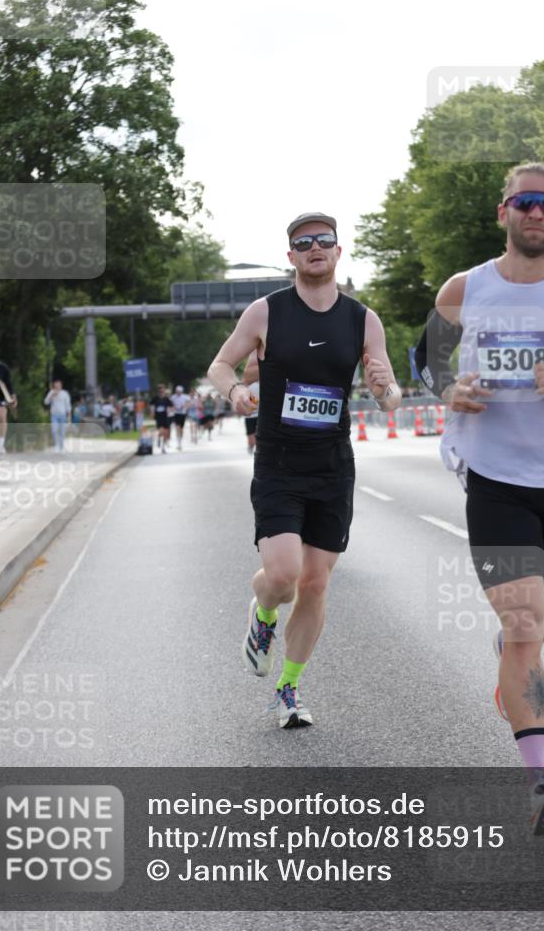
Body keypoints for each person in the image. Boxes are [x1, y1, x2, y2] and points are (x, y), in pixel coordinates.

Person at [414, 162, 544, 835]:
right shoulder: (463, 289)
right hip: (495, 479)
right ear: (503, 212)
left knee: (543, 622)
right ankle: (541, 786)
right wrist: (448, 391)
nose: (535, 214)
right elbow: (427, 360)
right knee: (528, 624)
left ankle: (510, 663)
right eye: (523, 203)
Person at [208, 211, 401, 728]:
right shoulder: (265, 312)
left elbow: (390, 400)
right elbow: (220, 365)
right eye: (303, 242)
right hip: (279, 463)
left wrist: (385, 385)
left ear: (338, 252)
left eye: (324, 241)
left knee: (315, 584)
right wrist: (236, 390)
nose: (315, 248)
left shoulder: (363, 319)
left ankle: (288, 689)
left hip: (333, 467)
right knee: (283, 576)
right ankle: (263, 613)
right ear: (291, 256)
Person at [44, 379, 72, 452]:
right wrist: (52, 396)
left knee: (62, 432)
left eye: (59, 386)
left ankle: (62, 447)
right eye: (56, 386)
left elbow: (68, 406)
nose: (57, 387)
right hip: (54, 415)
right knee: (54, 430)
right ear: (54, 386)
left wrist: (69, 417)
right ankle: (56, 446)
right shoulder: (51, 392)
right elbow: (46, 402)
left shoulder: (64, 393)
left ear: (61, 386)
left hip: (63, 415)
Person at [242, 351, 260, 454]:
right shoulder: (247, 384)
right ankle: (250, 446)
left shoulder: (263, 383)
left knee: (257, 437)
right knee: (251, 438)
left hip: (259, 415)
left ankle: (257, 452)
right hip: (249, 415)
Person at [150, 384, 171, 453]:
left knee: (165, 433)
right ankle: (159, 438)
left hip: (165, 416)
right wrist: (152, 413)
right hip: (158, 417)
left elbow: (171, 406)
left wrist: (169, 410)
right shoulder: (155, 398)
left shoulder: (166, 399)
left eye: (163, 390)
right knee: (161, 431)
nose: (162, 392)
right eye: (160, 390)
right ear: (158, 391)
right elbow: (151, 405)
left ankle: (163, 447)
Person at [169, 385, 189, 451]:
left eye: (180, 391)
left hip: (183, 414)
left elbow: (189, 404)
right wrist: (173, 408)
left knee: (181, 428)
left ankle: (180, 439)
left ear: (181, 391)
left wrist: (185, 406)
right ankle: (178, 442)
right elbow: (170, 405)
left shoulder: (185, 397)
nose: (178, 392)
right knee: (177, 427)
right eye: (177, 391)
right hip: (176, 414)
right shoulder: (173, 397)